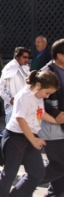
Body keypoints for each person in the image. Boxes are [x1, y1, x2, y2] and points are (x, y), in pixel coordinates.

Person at [0, 70, 59, 197]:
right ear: (38, 85)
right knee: (9, 175)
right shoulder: (24, 96)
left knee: (37, 173)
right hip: (16, 138)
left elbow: (40, 113)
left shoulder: (38, 96)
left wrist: (55, 120)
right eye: (47, 92)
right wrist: (33, 140)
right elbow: (20, 118)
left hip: (31, 137)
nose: (47, 96)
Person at [39, 38, 64, 197]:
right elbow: (37, 99)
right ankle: (29, 180)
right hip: (52, 125)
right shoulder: (46, 73)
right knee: (58, 164)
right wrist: (55, 114)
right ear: (60, 55)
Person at [0, 47, 31, 124]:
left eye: (28, 57)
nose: (27, 60)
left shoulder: (25, 68)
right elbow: (1, 88)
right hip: (13, 106)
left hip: (25, 105)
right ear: (17, 57)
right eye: (24, 57)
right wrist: (10, 99)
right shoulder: (9, 69)